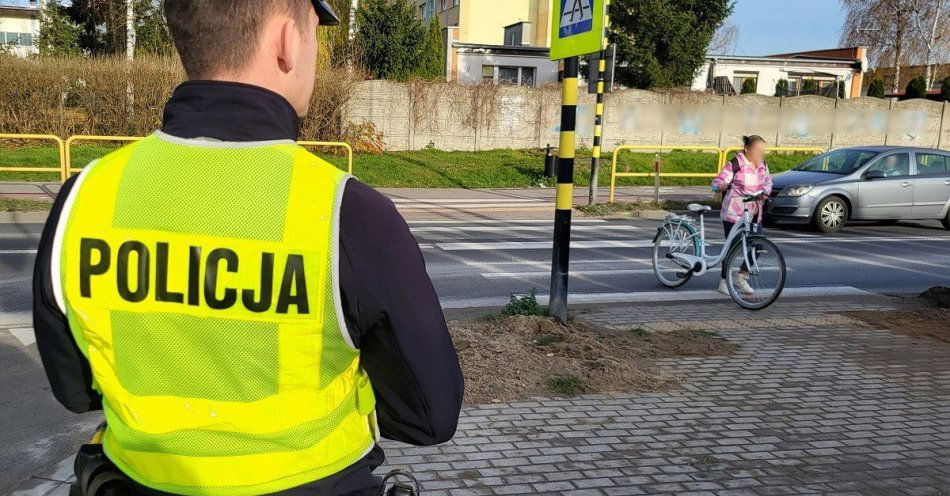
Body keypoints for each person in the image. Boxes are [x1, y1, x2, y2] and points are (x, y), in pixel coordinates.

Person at [31, 1, 464, 495]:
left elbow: (75, 391)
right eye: (314, 34)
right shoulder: (349, 214)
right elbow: (430, 417)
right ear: (287, 40)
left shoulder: (83, 198)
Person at [711, 135, 773, 296]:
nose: (761, 154)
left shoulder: (763, 165)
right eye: (758, 150)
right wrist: (720, 185)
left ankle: (741, 276)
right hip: (734, 213)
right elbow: (717, 181)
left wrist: (765, 193)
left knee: (758, 246)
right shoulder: (736, 164)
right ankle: (724, 281)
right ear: (747, 149)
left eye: (763, 151)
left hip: (753, 213)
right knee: (732, 247)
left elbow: (768, 182)